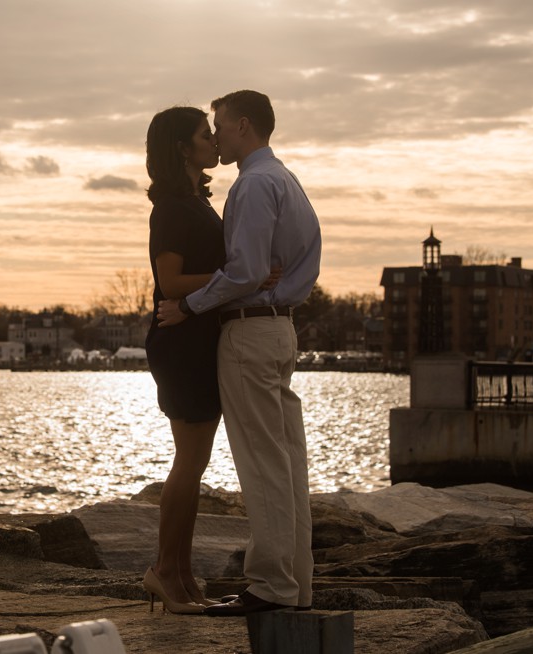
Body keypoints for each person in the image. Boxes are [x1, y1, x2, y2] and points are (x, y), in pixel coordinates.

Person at [157, 90, 321, 617]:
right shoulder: (286, 180)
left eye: (220, 127)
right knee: (289, 462)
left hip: (250, 332)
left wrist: (190, 305)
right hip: (280, 329)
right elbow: (303, 263)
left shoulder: (251, 185)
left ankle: (271, 587)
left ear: (243, 125)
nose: (217, 135)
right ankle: (296, 585)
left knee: (263, 463)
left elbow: (246, 273)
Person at [140, 106, 279, 615]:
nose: (213, 141)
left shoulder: (195, 201)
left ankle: (179, 573)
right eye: (205, 134)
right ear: (182, 147)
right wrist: (244, 278)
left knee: (194, 463)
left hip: (199, 337)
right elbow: (169, 284)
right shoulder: (173, 209)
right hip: (180, 342)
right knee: (190, 461)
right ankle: (166, 572)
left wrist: (238, 276)